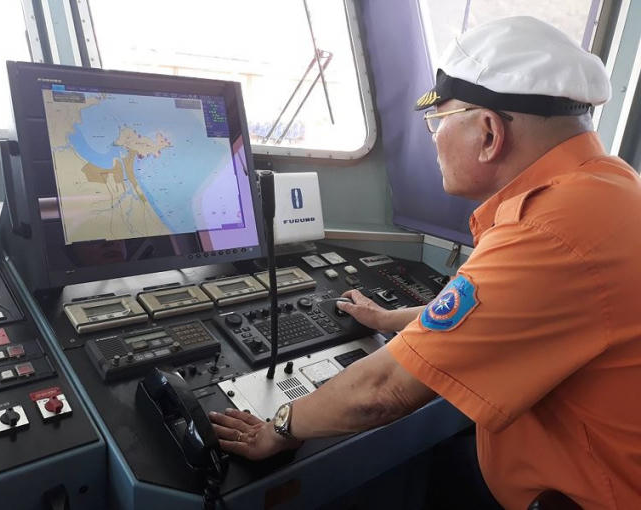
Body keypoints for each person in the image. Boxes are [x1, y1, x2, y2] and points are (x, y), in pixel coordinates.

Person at [209, 16, 641, 510]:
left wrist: (279, 427)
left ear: (488, 132)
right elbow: (500, 314)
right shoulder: (608, 187)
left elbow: (383, 391)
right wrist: (393, 319)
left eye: (438, 121)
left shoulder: (549, 232)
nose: (433, 138)